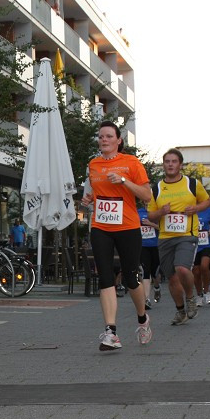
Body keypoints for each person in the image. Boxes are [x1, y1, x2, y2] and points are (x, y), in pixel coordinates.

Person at [81, 121, 152, 350]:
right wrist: (88, 199)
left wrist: (123, 180)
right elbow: (92, 192)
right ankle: (111, 332)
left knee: (131, 277)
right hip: (101, 225)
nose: (104, 140)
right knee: (105, 276)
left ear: (118, 140)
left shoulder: (131, 163)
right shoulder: (93, 164)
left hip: (128, 226)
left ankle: (142, 318)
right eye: (101, 136)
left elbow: (147, 195)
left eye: (109, 136)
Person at [147, 149, 210, 325]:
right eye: (167, 161)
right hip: (165, 237)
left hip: (187, 235)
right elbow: (150, 216)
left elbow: (207, 201)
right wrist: (161, 211)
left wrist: (196, 209)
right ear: (163, 165)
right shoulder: (156, 188)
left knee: (182, 268)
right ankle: (180, 310)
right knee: (172, 278)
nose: (170, 164)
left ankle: (191, 298)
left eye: (174, 161)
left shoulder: (192, 184)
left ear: (180, 165)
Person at [192, 198, 210, 306]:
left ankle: (207, 293)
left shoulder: (209, 211)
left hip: (206, 243)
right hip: (193, 244)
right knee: (196, 271)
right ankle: (199, 295)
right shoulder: (190, 210)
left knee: (204, 266)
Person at [137, 202, 160, 312]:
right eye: (146, 201)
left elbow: (163, 228)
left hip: (155, 245)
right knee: (146, 271)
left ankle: (157, 287)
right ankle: (147, 299)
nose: (147, 203)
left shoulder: (157, 212)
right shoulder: (138, 212)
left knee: (155, 272)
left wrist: (151, 224)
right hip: (143, 246)